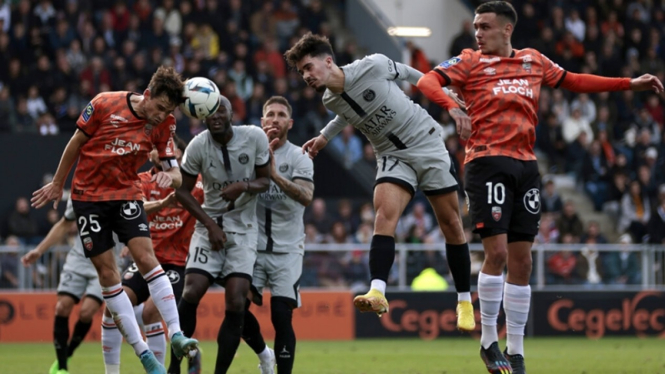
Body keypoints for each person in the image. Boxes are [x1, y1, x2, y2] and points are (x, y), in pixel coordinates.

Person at [416, 1, 664, 373]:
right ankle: (488, 342)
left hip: (526, 166)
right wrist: (452, 107)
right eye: (476, 27)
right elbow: (426, 80)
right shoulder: (469, 61)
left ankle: (516, 351)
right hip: (486, 162)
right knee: (496, 254)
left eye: (485, 27)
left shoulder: (533, 60)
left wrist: (629, 83)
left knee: (523, 261)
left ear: (507, 30)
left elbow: (577, 80)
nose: (478, 34)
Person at [285, 32, 475, 332]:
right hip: (390, 155)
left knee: (451, 223)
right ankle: (378, 291)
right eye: (301, 72)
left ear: (328, 60)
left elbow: (414, 75)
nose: (306, 75)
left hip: (425, 142)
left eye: (308, 67)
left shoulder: (372, 65)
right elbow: (346, 114)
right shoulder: (329, 99)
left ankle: (464, 300)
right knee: (383, 216)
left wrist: (445, 95)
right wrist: (324, 137)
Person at [30, 66, 201, 374]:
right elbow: (75, 143)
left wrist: (170, 177)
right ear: (147, 95)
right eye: (160, 108)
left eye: (169, 111)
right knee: (108, 275)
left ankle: (175, 332)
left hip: (126, 194)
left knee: (147, 258)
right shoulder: (105, 103)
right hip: (88, 198)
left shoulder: (166, 125)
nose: (162, 116)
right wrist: (58, 183)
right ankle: (144, 355)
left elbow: (175, 170)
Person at [175, 95, 271, 374]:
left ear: (232, 112)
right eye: (210, 112)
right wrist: (210, 225)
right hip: (209, 226)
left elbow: (265, 180)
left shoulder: (254, 137)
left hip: (244, 229)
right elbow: (182, 191)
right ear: (202, 117)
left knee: (236, 301)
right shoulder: (197, 145)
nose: (216, 115)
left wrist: (243, 185)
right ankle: (175, 366)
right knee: (192, 290)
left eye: (221, 109)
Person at [101, 136, 204, 374]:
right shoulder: (143, 181)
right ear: (151, 156)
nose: (164, 151)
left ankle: (159, 369)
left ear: (180, 155)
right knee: (113, 305)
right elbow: (136, 208)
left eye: (171, 149)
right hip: (147, 258)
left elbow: (215, 206)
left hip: (178, 263)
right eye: (158, 148)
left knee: (150, 312)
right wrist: (164, 203)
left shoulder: (196, 184)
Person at [240, 96, 314, 374]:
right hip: (252, 248)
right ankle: (264, 355)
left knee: (281, 317)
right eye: (269, 114)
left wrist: (274, 176)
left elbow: (306, 196)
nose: (274, 119)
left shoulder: (299, 156)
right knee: (236, 310)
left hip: (287, 250)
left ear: (290, 123)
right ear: (261, 122)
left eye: (281, 114)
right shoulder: (246, 154)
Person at [21, 196, 122, 374]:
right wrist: (39, 250)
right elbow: (64, 224)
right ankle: (61, 367)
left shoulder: (122, 190)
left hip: (108, 262)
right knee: (62, 307)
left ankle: (67, 354)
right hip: (78, 259)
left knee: (86, 312)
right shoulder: (80, 190)